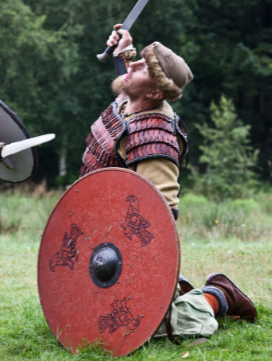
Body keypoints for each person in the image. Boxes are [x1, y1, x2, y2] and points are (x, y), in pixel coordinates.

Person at [79, 26, 257, 340]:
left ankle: (217, 295)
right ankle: (179, 291)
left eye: (142, 66)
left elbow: (160, 217)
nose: (132, 67)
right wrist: (125, 50)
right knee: (85, 316)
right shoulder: (132, 102)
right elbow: (128, 82)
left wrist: (141, 276)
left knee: (151, 328)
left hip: (128, 248)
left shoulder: (155, 137)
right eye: (138, 60)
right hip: (100, 238)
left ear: (155, 93)